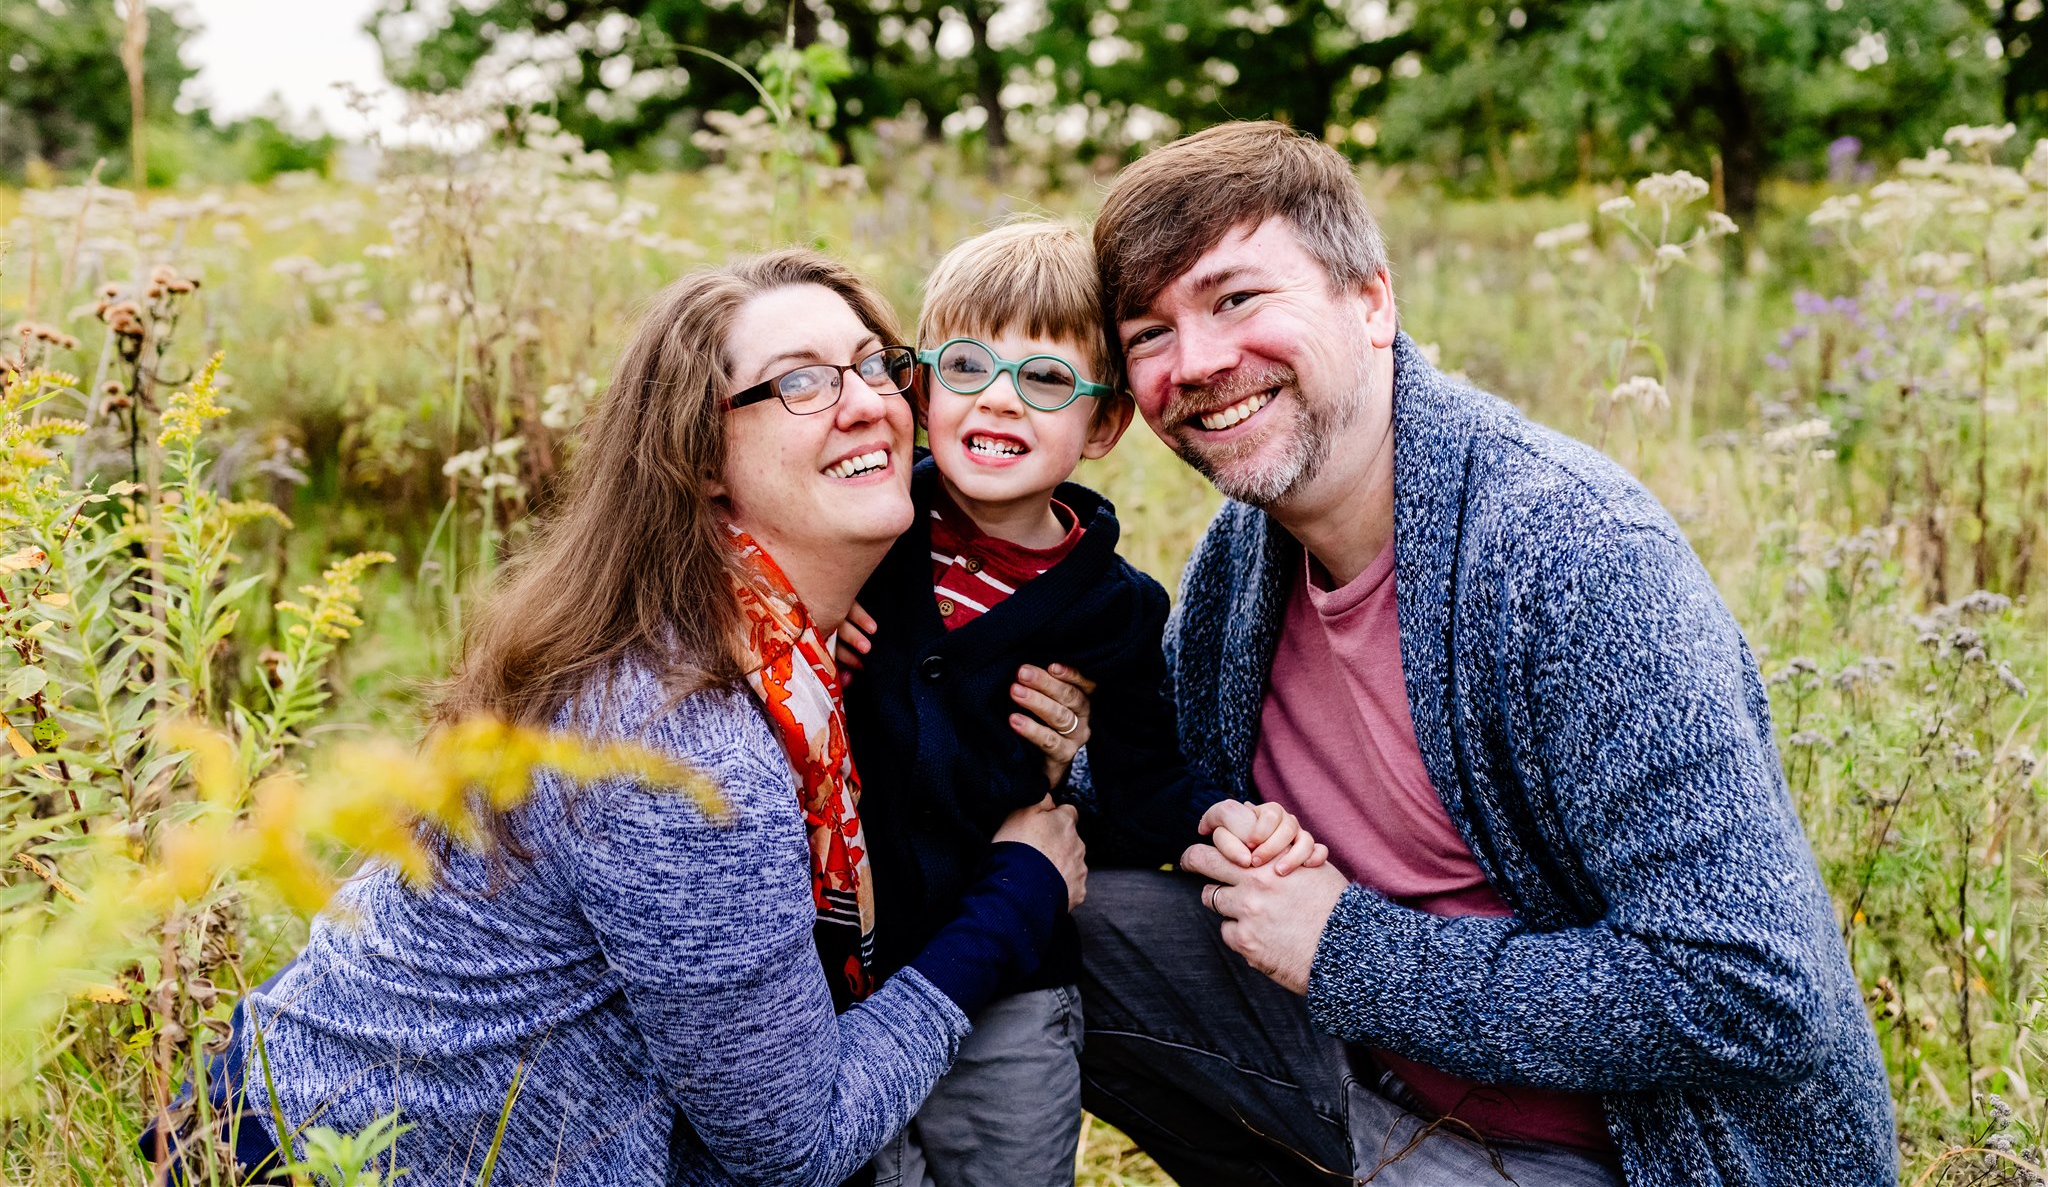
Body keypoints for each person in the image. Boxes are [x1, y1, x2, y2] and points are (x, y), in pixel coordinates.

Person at [1075, 121, 1896, 1185]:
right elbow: (1157, 782)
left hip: (1633, 1161)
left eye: (1236, 300)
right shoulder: (1245, 558)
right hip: (1372, 1091)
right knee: (1038, 913)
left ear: (1370, 300)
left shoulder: (1570, 557)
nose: (1195, 363)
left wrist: (1345, 953)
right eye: (1148, 333)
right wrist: (1033, 740)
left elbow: (1747, 985)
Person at [207, 252, 1094, 1186]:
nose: (866, 400)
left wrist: (1064, 739)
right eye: (800, 382)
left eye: (877, 363)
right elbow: (794, 1146)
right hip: (334, 1161)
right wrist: (1018, 895)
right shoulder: (685, 742)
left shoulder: (775, 652)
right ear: (703, 459)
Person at [833, 221, 1325, 1187]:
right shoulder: (862, 532)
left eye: (1047, 379)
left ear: (1102, 426)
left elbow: (1142, 777)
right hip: (844, 970)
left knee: (1008, 1163)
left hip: (1012, 974)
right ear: (923, 391)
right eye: (968, 364)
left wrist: (1207, 822)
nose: (1000, 399)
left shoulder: (1115, 608)